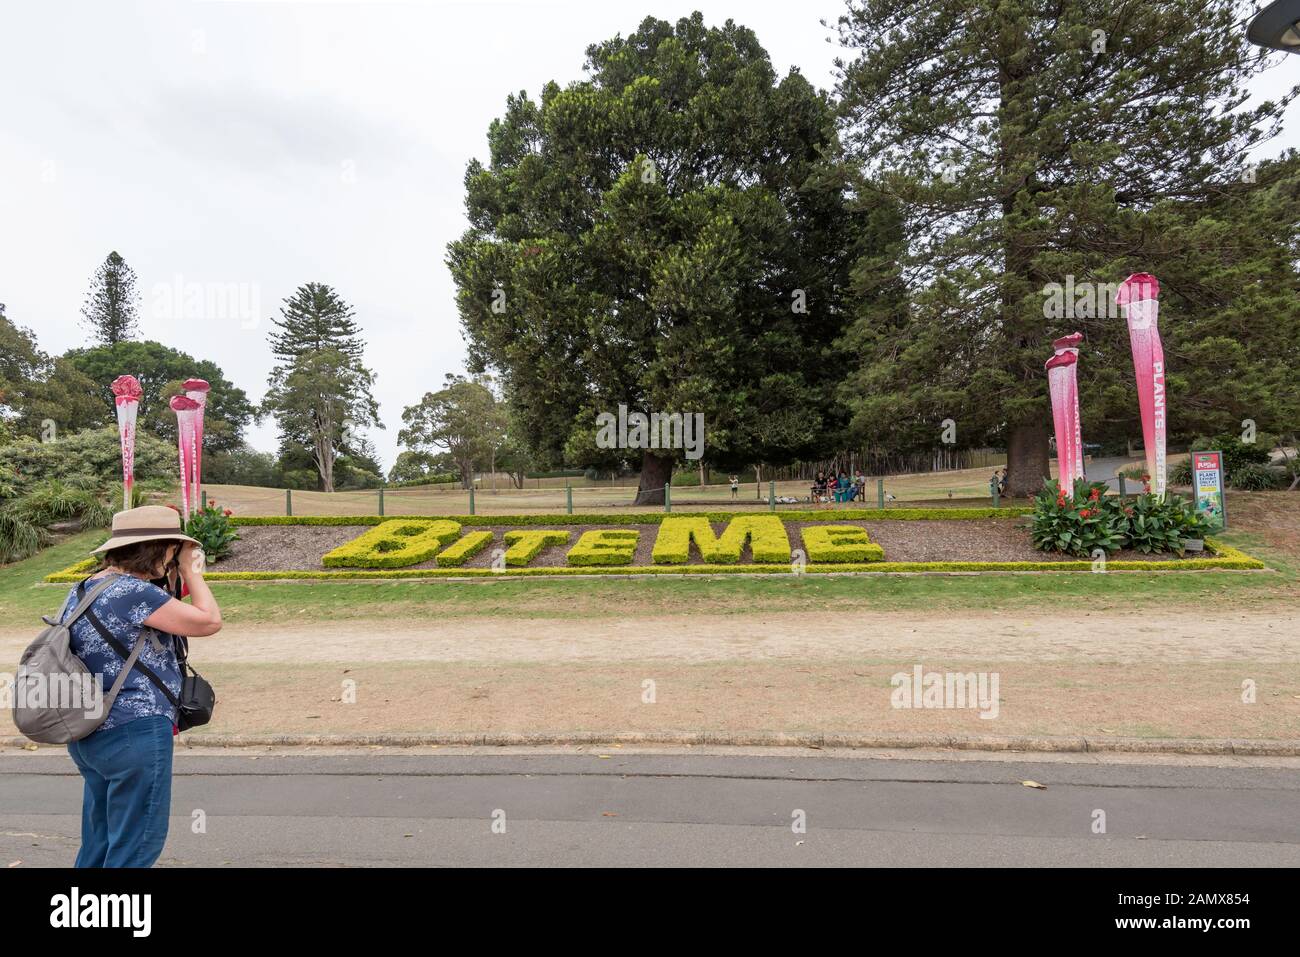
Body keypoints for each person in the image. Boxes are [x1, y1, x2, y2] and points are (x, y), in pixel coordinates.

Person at [61, 505, 222, 868]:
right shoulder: (133, 593)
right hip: (135, 730)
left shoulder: (86, 587)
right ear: (159, 548)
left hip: (89, 730)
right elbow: (209, 620)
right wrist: (191, 571)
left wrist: (175, 572)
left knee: (100, 841)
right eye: (172, 550)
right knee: (136, 844)